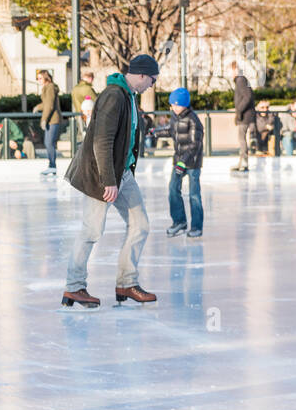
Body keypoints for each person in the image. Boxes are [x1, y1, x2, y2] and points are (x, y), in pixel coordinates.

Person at [62, 54, 159, 308]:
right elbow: (101, 141)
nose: (152, 84)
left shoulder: (129, 97)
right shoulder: (114, 95)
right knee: (91, 229)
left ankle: (127, 282)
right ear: (141, 75)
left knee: (140, 225)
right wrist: (108, 180)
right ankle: (74, 287)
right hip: (101, 175)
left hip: (122, 173)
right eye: (152, 79)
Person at [153, 87, 204, 238]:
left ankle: (196, 227)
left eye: (175, 105)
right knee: (173, 190)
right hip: (179, 161)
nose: (172, 108)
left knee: (194, 195)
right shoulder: (175, 117)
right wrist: (156, 132)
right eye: (172, 105)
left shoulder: (194, 120)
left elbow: (195, 145)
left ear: (184, 105)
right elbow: (171, 130)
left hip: (192, 163)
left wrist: (183, 162)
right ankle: (179, 221)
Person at [38, 69, 64, 176]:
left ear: (46, 77)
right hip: (51, 119)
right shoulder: (47, 88)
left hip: (53, 120)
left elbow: (49, 105)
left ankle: (52, 166)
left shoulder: (50, 87)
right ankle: (51, 165)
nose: (38, 80)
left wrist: (44, 119)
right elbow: (46, 103)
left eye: (40, 78)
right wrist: (37, 107)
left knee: (49, 143)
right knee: (48, 142)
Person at [231, 61, 255, 173]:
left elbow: (247, 97)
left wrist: (239, 111)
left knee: (242, 139)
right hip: (244, 115)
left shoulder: (241, 80)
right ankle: (242, 162)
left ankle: (244, 161)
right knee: (241, 139)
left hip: (246, 116)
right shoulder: (240, 80)